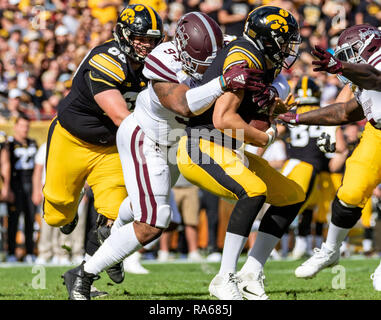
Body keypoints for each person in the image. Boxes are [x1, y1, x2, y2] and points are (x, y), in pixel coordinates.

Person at [62, 11, 260, 300]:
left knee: (146, 206)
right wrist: (221, 82)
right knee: (155, 219)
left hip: (175, 143)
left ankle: (109, 235)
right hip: (146, 137)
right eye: (199, 61)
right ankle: (82, 276)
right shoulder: (161, 58)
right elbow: (184, 105)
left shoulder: (225, 49)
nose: (204, 68)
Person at [176, 6, 305, 300]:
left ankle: (251, 273)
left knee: (292, 196)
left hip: (226, 150)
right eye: (283, 40)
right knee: (254, 190)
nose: (288, 48)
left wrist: (273, 107)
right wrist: (265, 136)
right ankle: (224, 277)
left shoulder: (260, 57)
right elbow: (223, 119)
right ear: (266, 39)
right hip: (201, 146)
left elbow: (247, 109)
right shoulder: (244, 58)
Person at [43, 4, 165, 282]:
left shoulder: (156, 65)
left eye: (152, 39)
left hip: (111, 147)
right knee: (57, 214)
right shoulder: (106, 58)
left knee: (114, 213)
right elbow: (120, 115)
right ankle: (70, 210)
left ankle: (104, 258)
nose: (147, 45)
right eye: (140, 38)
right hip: (72, 139)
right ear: (123, 34)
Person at [278, 24, 381, 292]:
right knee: (350, 192)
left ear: (365, 46)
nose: (345, 60)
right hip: (377, 132)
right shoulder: (363, 75)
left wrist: (341, 67)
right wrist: (299, 118)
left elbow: (376, 77)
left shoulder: (374, 64)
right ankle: (330, 249)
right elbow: (345, 112)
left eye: (349, 54)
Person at [277, 76, 337, 259]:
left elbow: (277, 133)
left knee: (291, 206)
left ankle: (290, 246)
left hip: (294, 165)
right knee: (304, 208)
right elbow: (339, 147)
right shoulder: (322, 112)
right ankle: (294, 245)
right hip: (315, 167)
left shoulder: (293, 112)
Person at [7, 114, 38, 263]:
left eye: (27, 126)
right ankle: (11, 252)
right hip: (16, 183)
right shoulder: (10, 143)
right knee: (13, 219)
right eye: (22, 126)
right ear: (15, 127)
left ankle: (30, 252)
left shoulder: (33, 143)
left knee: (30, 219)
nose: (25, 129)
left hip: (30, 183)